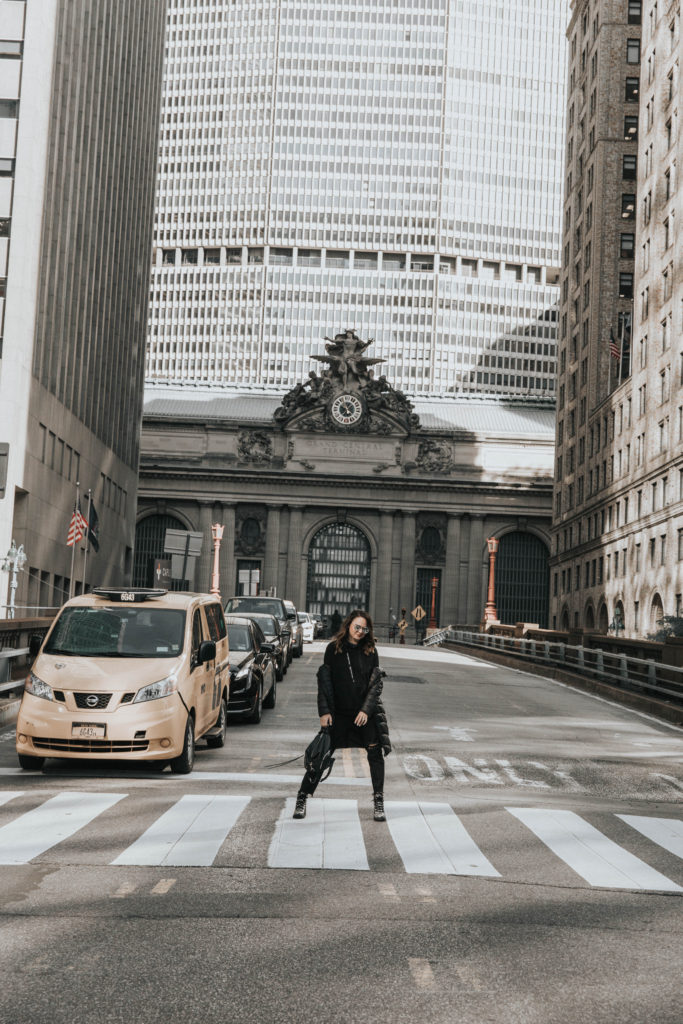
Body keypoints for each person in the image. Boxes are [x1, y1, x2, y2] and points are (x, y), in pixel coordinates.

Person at [293, 609, 391, 822]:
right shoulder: (333, 649)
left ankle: (378, 800)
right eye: (357, 627)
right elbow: (324, 682)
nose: (360, 632)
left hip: (364, 715)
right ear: (348, 626)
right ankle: (302, 797)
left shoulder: (370, 651)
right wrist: (324, 711)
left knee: (375, 755)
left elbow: (375, 685)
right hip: (339, 714)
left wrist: (366, 710)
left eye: (365, 629)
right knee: (321, 755)